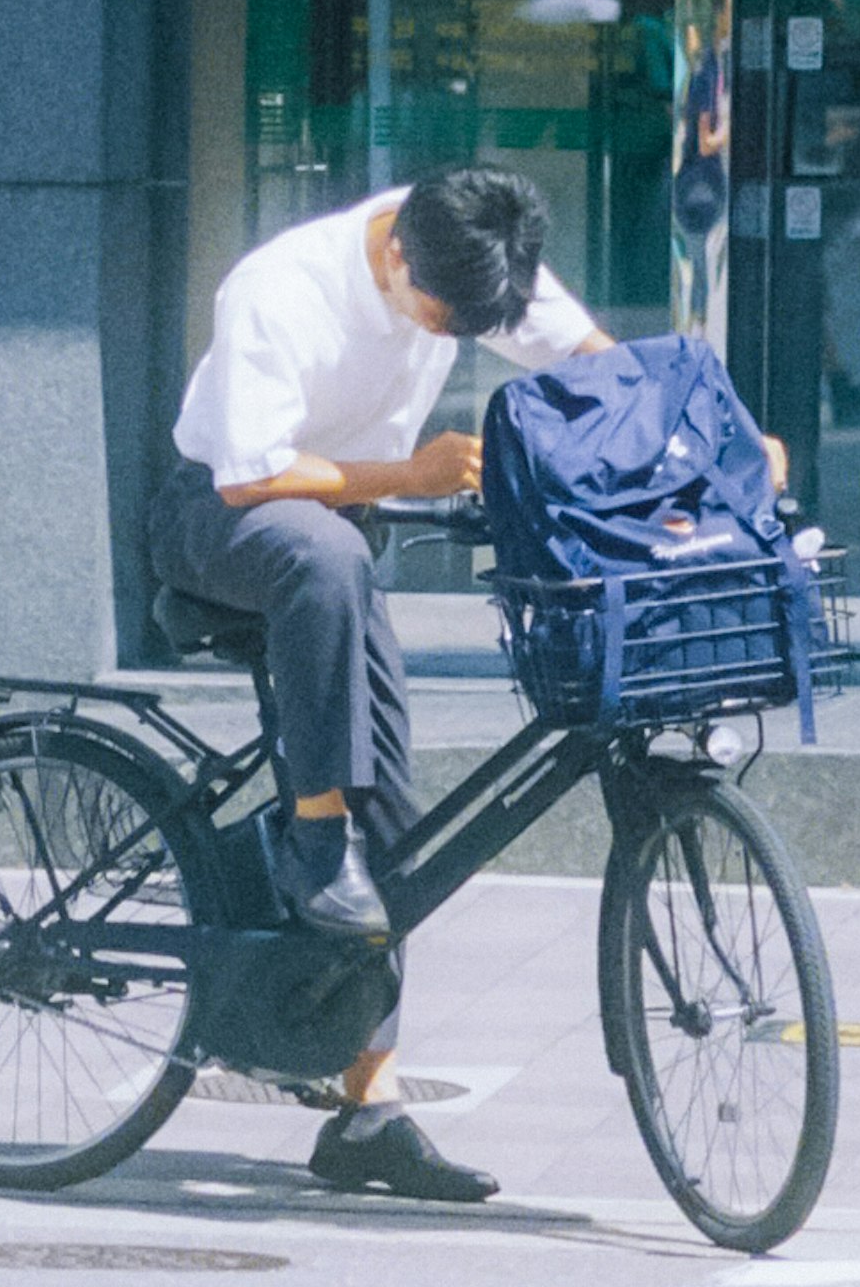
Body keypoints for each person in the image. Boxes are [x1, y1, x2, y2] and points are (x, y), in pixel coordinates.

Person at [147, 168, 611, 1205]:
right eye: (450, 320)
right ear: (397, 256)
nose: (457, 332)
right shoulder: (279, 287)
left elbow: (590, 360)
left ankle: (369, 1114)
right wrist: (413, 474)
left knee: (398, 821)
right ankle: (312, 835)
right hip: (216, 517)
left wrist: (698, 442)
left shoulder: (469, 250)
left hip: (335, 543)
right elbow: (249, 475)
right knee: (323, 559)